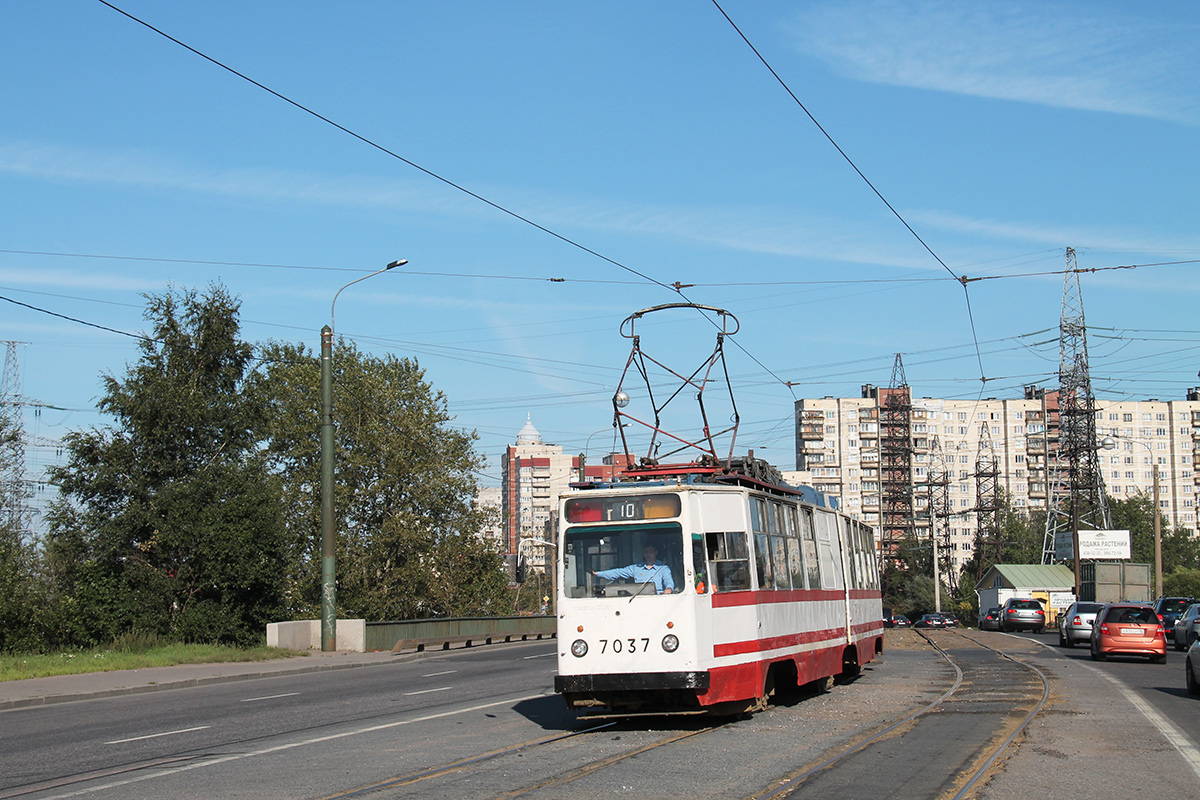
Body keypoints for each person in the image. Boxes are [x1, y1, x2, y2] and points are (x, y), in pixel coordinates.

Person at [593, 545, 675, 594]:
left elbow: (668, 581)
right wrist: (598, 573)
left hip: (657, 599)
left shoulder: (663, 568)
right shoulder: (636, 568)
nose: (648, 554)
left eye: (650, 551)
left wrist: (669, 589)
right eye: (646, 552)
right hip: (638, 600)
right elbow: (619, 572)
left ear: (655, 553)